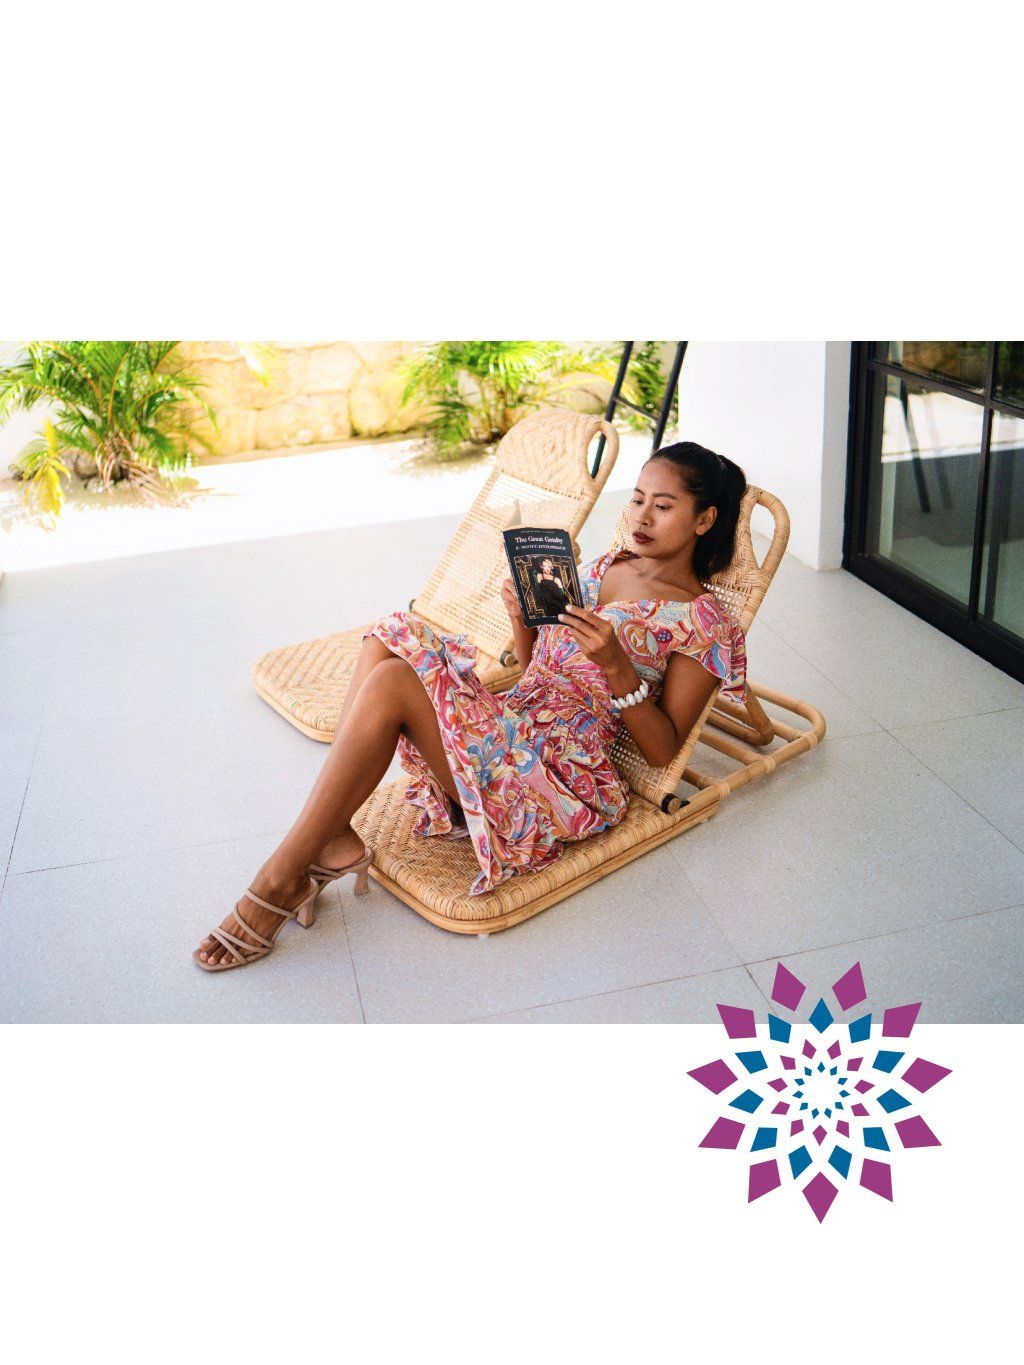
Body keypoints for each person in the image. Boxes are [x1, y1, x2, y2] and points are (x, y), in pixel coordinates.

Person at [194, 441, 749, 970]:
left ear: (704, 520)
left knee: (393, 683)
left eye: (663, 506)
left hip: (561, 781)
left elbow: (662, 751)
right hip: (513, 728)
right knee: (391, 633)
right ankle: (332, 832)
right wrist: (520, 619)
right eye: (637, 499)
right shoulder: (606, 567)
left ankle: (279, 881)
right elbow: (535, 670)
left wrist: (617, 667)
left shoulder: (702, 621)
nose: (642, 517)